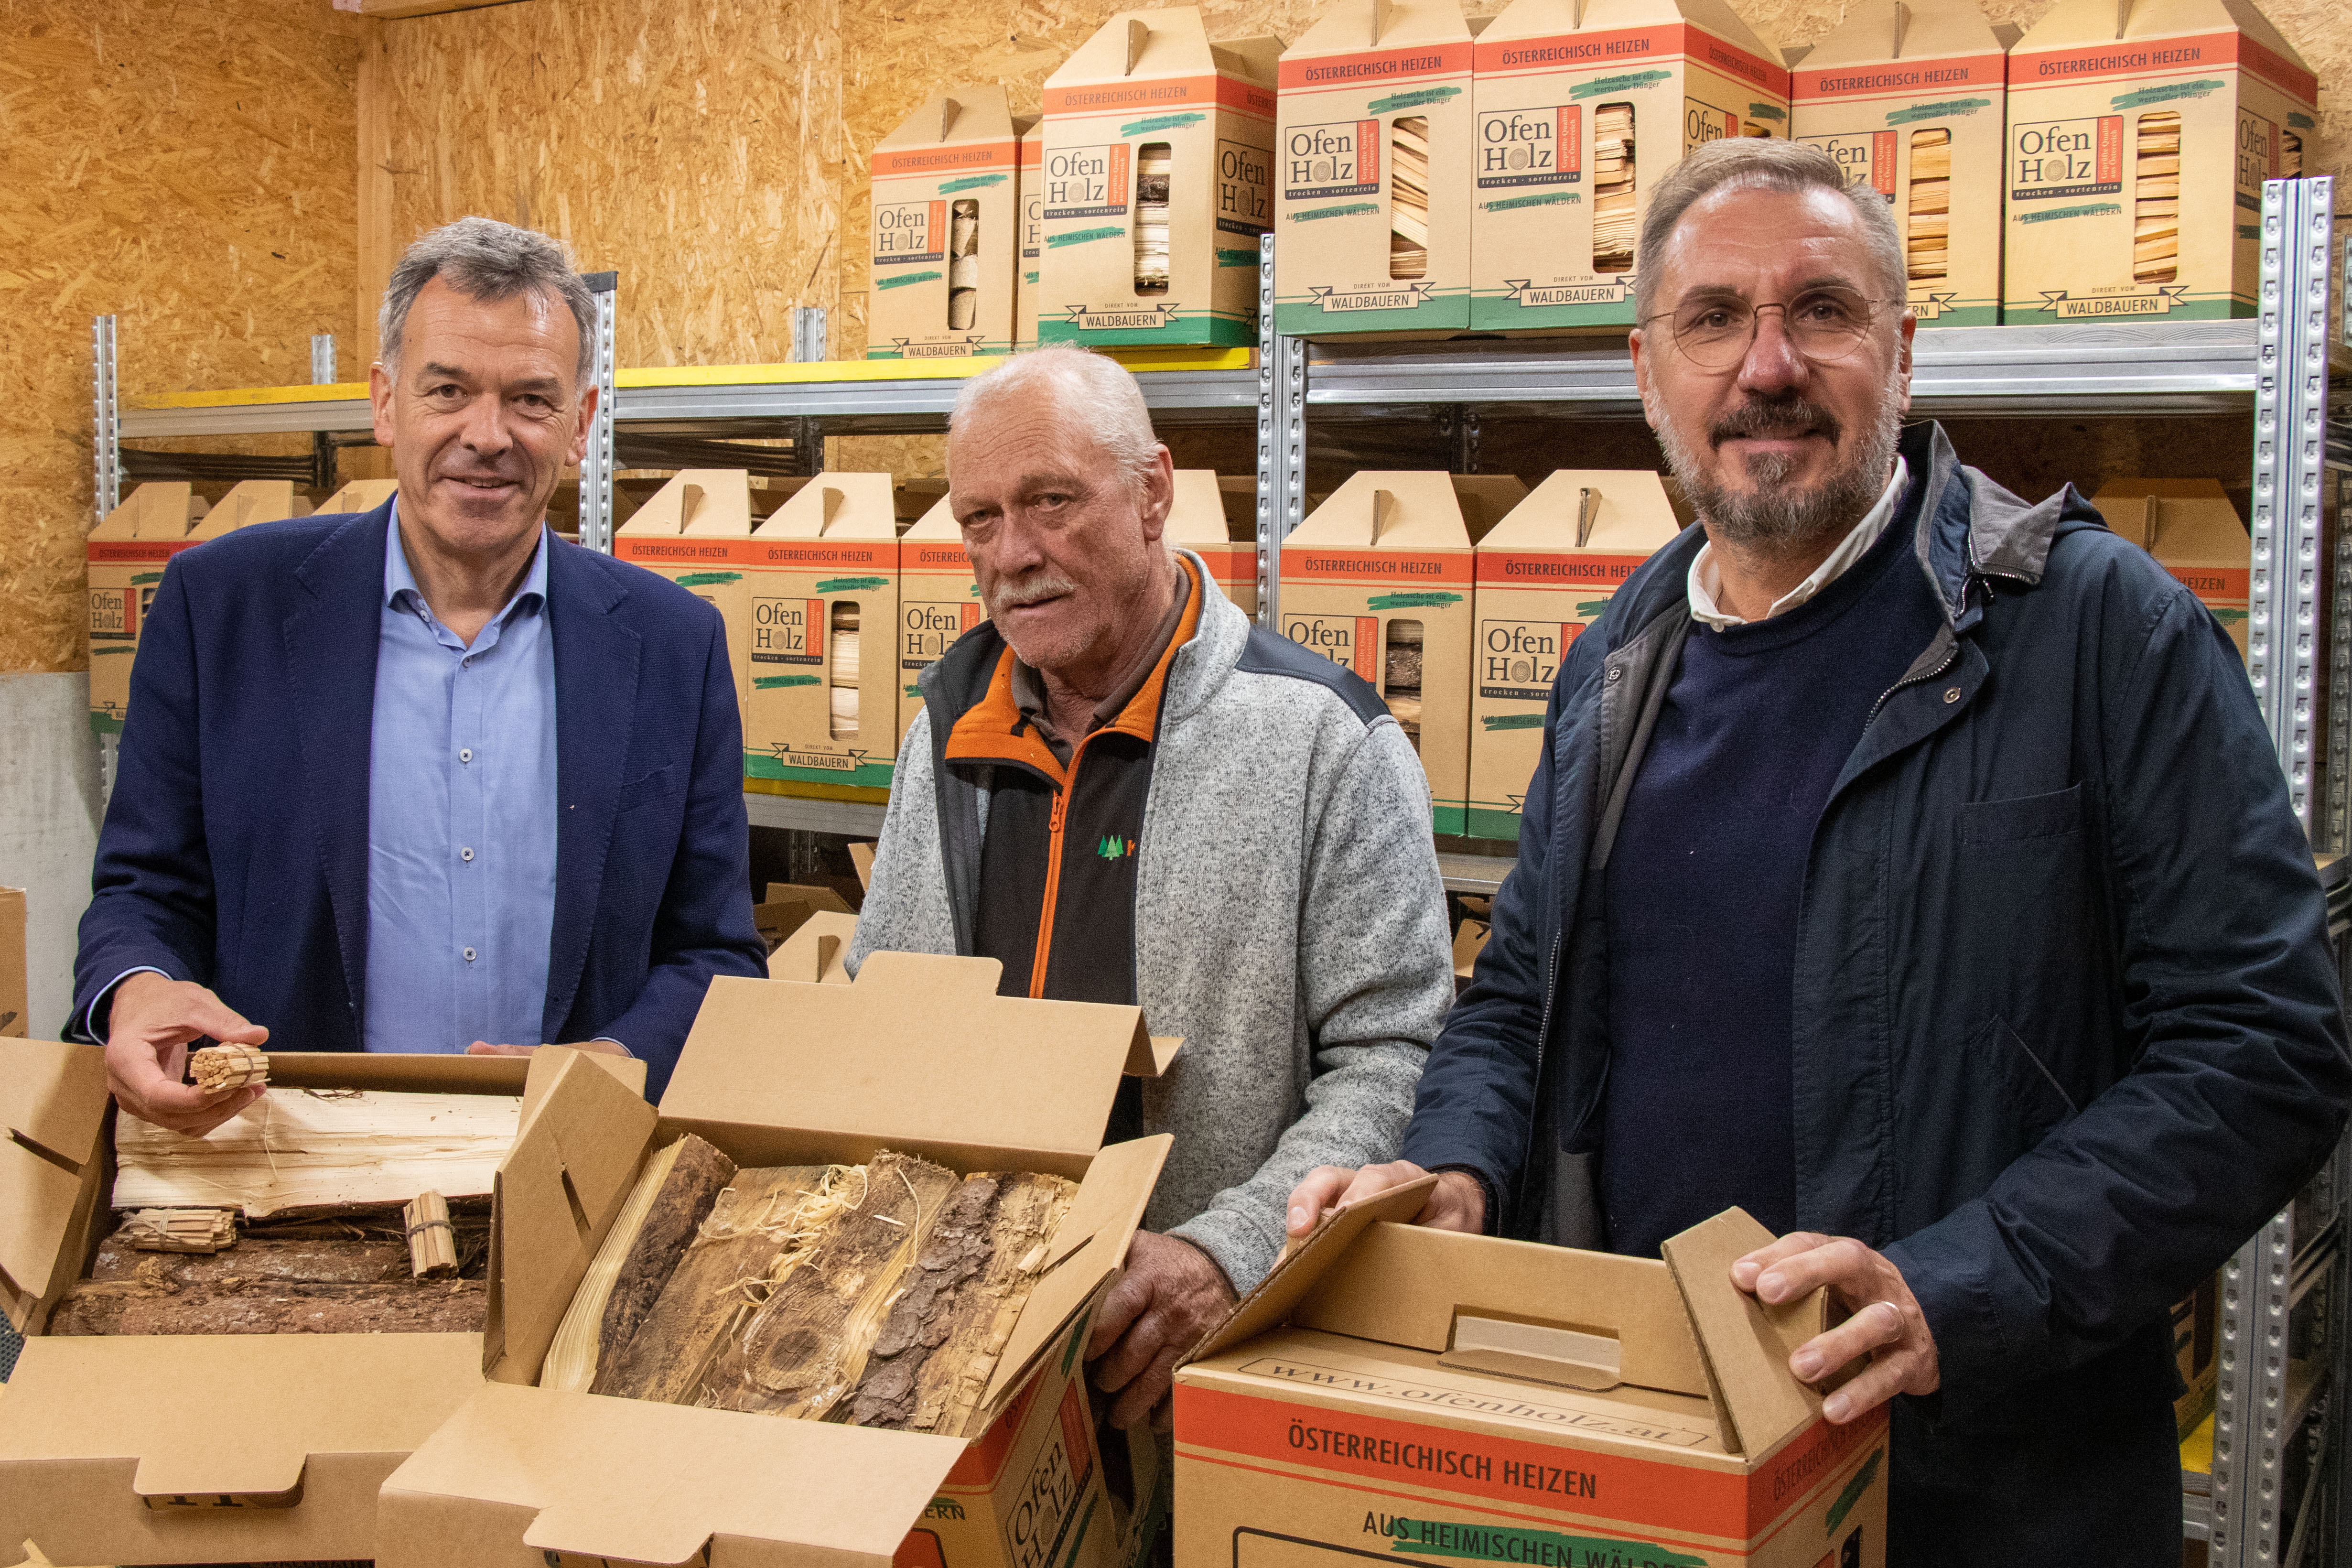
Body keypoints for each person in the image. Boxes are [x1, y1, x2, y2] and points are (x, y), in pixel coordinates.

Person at [1285, 137, 2350, 1561]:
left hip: (1985, 1488)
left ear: (1902, 352)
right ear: (1646, 366)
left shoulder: (2100, 631)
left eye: (1822, 312)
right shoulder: (1619, 658)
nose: (1767, 364)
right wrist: (1456, 1171)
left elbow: (2263, 1048)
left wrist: (1952, 1289)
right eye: (1714, 318)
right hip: (1665, 1463)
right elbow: (1519, 995)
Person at [851, 344, 1451, 1430]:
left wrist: (1230, 1255)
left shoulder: (1323, 742)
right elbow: (881, 1014)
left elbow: (1393, 1059)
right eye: (979, 519)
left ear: (1153, 492)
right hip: (951, 1359)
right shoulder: (947, 728)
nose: (1015, 554)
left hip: (1202, 1365)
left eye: (1051, 502)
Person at [73, 216, 766, 1129]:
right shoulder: (222, 605)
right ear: (386, 402)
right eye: (448, 390)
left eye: (530, 399)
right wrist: (140, 987)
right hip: (287, 1156)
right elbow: (143, 890)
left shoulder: (673, 643)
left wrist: (613, 1060)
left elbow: (714, 948)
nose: (488, 435)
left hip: (565, 1162)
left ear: (580, 424)